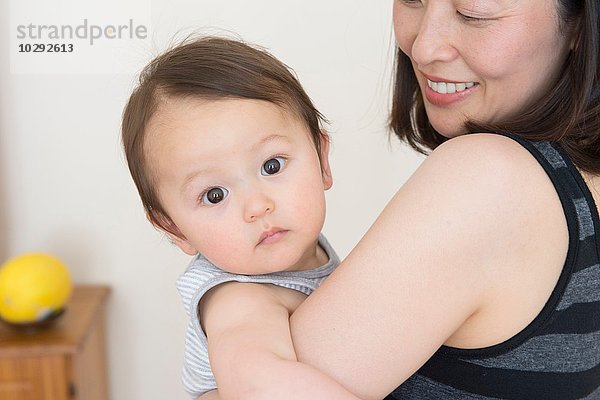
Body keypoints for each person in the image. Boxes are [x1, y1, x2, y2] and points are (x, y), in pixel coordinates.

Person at [289, 0, 600, 399]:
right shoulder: (571, 189)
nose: (423, 48)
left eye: (473, 13)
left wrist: (227, 300)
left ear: (577, 25)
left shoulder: (490, 179)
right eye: (413, 0)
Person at [121, 37, 362, 399]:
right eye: (214, 195)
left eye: (271, 165)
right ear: (174, 228)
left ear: (321, 160)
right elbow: (261, 387)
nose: (256, 206)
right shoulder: (238, 299)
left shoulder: (303, 255)